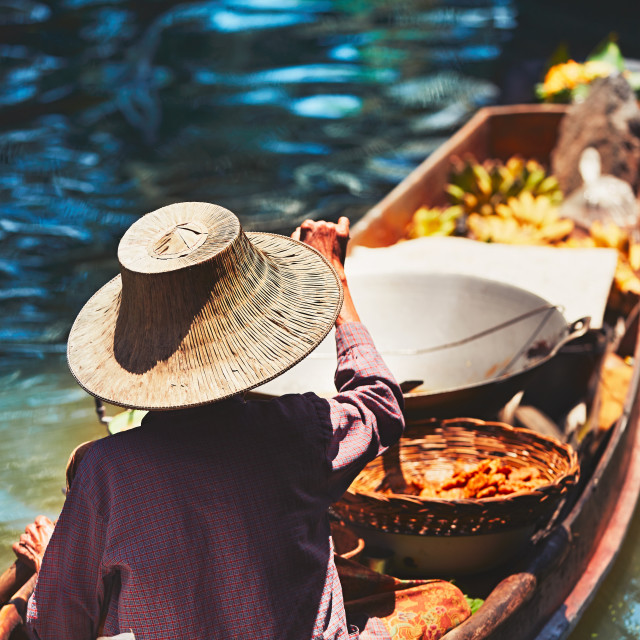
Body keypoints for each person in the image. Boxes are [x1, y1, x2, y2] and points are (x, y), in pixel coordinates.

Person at [22, 202, 407, 640]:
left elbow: (58, 627)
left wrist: (48, 562)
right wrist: (335, 276)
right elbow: (381, 404)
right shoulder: (299, 430)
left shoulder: (105, 473)